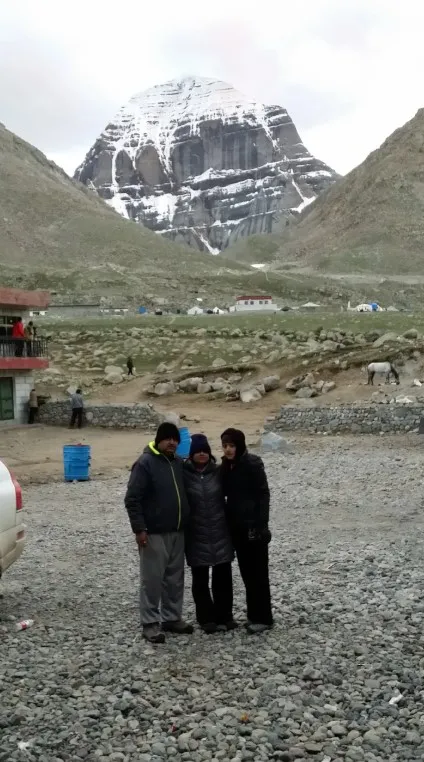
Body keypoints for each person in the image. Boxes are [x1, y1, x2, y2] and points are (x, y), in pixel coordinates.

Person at [125, 422, 193, 644]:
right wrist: (139, 529)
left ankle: (172, 618)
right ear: (158, 439)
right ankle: (150, 623)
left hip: (178, 531)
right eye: (167, 438)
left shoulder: (178, 463)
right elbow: (132, 499)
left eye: (175, 439)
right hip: (153, 533)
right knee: (152, 579)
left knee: (175, 579)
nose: (172, 442)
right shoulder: (145, 463)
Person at [220, 428, 273, 634]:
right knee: (247, 574)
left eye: (232, 445)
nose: (228, 449)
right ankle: (254, 614)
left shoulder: (252, 464)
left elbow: (263, 494)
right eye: (225, 446)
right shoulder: (227, 467)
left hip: (254, 527)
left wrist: (262, 524)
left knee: (258, 574)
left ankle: (264, 618)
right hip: (237, 528)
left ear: (239, 445)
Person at [183, 434, 235, 634]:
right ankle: (206, 618)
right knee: (200, 578)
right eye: (198, 451)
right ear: (191, 454)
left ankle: (225, 616)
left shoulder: (219, 471)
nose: (202, 454)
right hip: (196, 532)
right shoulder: (183, 473)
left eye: (205, 450)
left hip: (220, 529)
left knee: (223, 577)